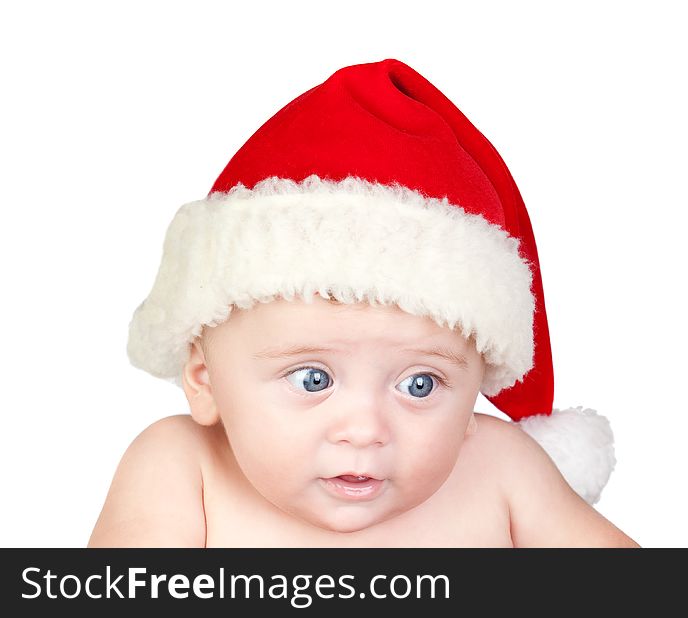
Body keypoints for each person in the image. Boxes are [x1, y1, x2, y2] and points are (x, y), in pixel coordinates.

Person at [88, 58, 639, 548]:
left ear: (475, 386)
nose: (365, 429)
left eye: (419, 384)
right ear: (205, 380)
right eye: (312, 379)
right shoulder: (183, 468)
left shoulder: (501, 470)